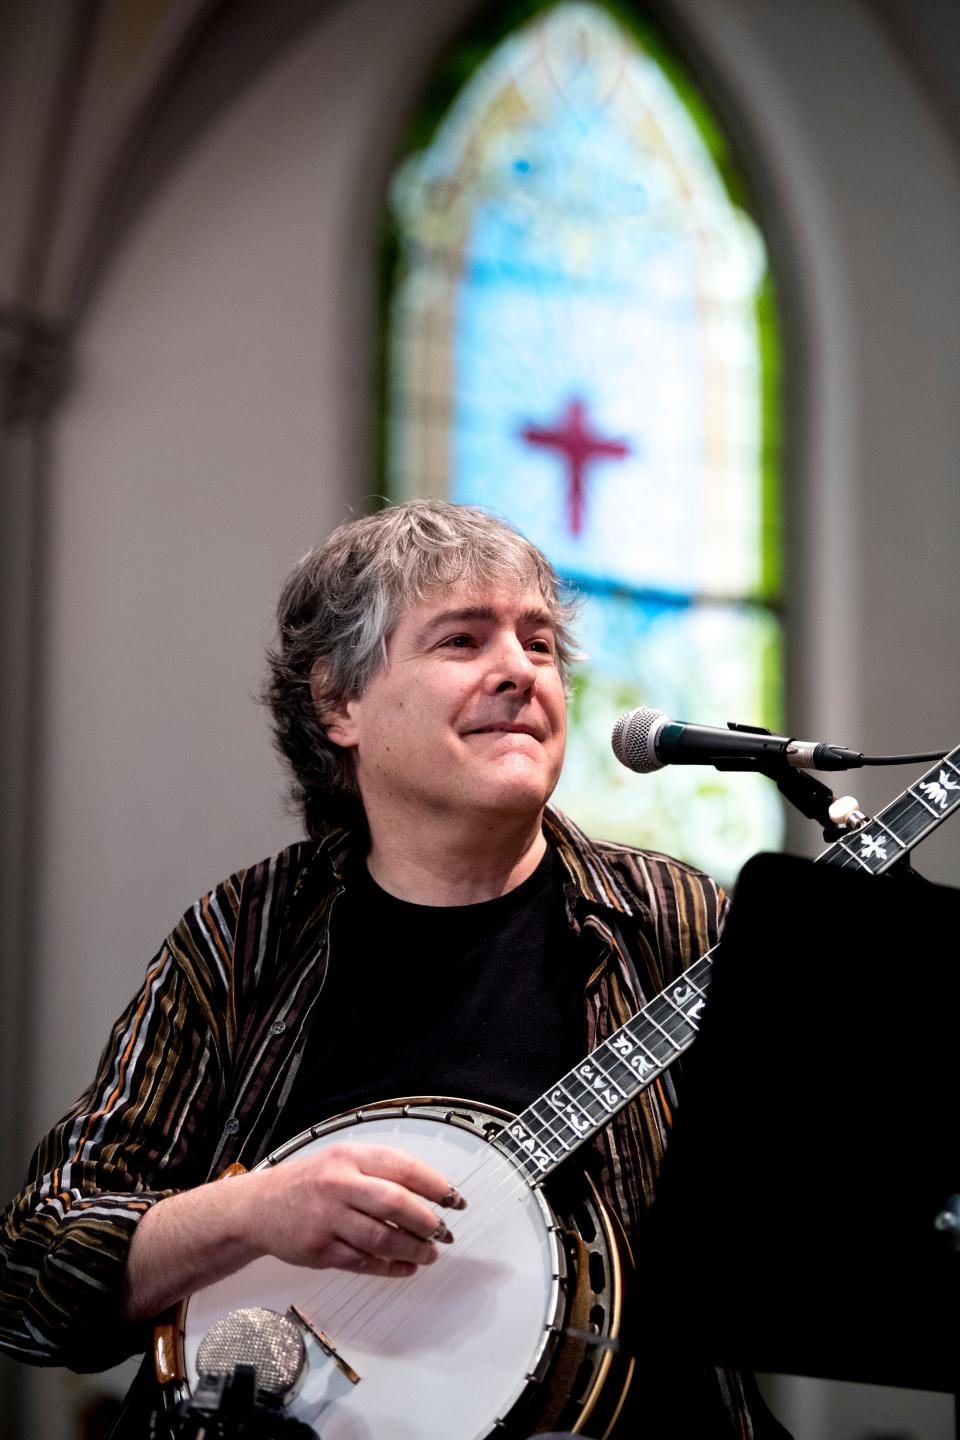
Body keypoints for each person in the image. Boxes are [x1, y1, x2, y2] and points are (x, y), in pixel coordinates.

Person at [0, 500, 787, 1437]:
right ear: (339, 704)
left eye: (540, 645)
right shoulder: (246, 935)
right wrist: (253, 1211)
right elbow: (29, 1277)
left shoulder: (678, 921)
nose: (519, 672)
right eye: (462, 641)